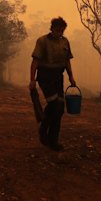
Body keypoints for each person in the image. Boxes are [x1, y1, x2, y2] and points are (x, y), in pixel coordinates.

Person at [29, 17, 76, 151]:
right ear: (52, 28)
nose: (60, 32)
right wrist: (32, 80)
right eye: (57, 29)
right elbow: (35, 62)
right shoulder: (42, 41)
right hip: (45, 77)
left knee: (59, 109)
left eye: (62, 30)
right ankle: (44, 132)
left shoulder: (65, 42)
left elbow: (67, 61)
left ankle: (53, 140)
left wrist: (71, 77)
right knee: (55, 104)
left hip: (58, 77)